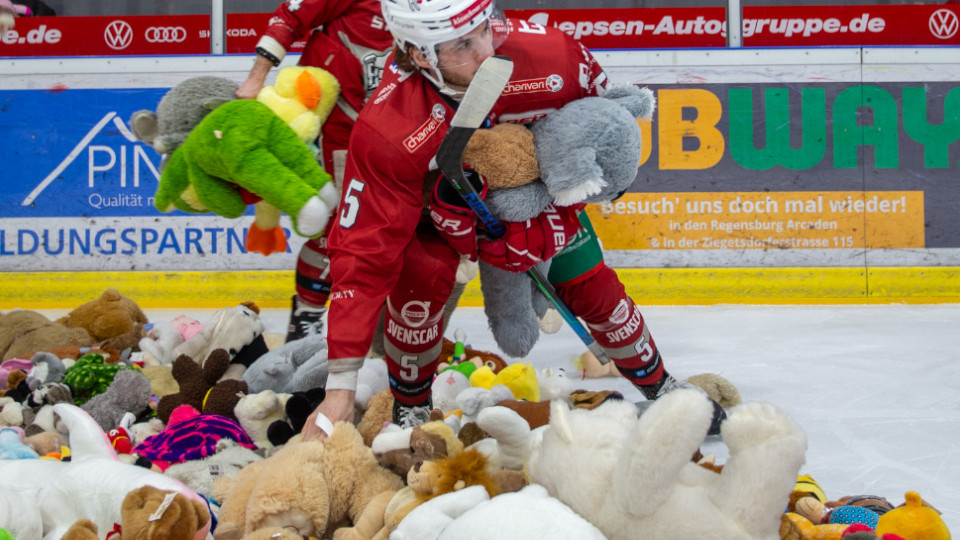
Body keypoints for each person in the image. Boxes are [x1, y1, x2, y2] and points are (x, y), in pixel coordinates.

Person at [302, 0, 726, 439]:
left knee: (588, 280)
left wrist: (550, 212)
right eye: (462, 44)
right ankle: (412, 407)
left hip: (536, 199)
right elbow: (363, 253)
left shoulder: (553, 57)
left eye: (485, 29)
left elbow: (597, 144)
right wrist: (339, 388)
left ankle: (660, 386)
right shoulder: (389, 127)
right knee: (418, 295)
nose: (485, 50)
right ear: (419, 54)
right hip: (435, 221)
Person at [236, 0, 394, 343]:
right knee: (339, 224)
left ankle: (388, 329)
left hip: (398, 129)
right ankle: (306, 316)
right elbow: (291, 16)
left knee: (398, 225)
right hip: (340, 126)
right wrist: (255, 78)